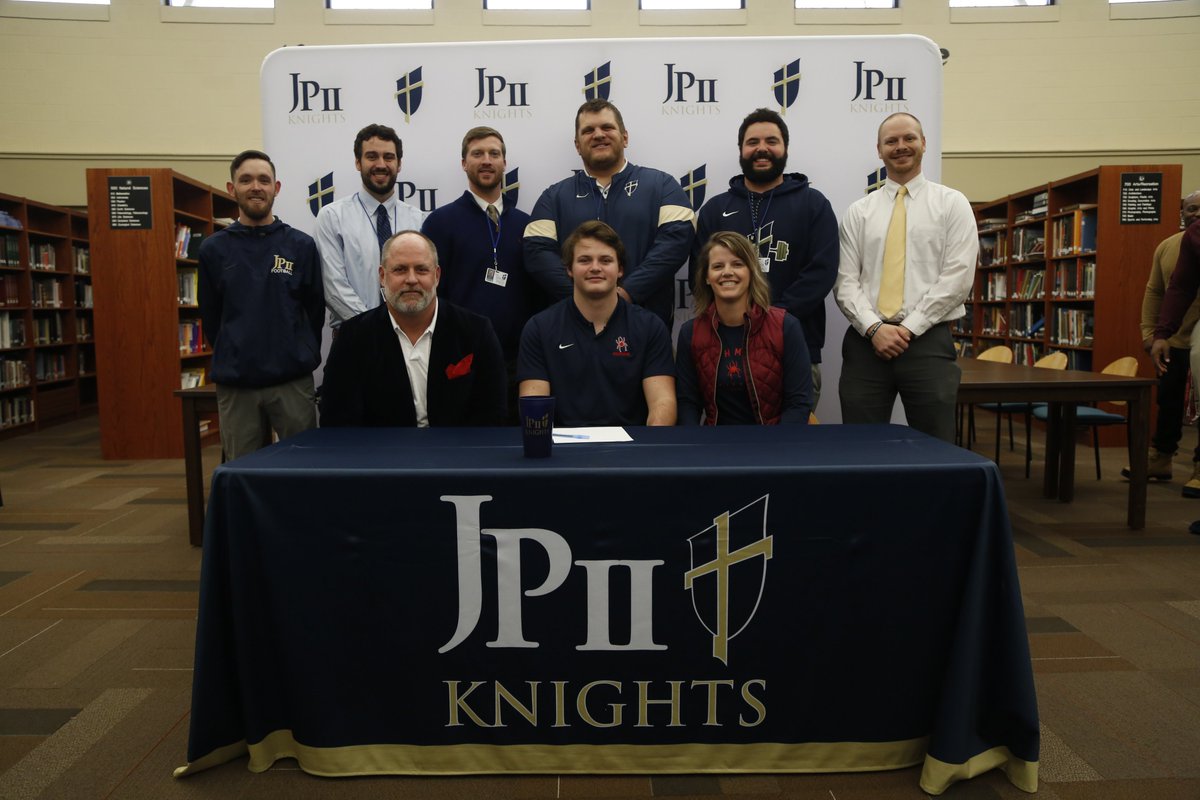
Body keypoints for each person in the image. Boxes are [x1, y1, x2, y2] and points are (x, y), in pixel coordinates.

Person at [834, 112, 978, 443]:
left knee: (935, 446)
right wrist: (874, 329)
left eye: (909, 138)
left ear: (924, 143)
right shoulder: (859, 212)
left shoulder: (951, 205)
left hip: (927, 342)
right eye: (891, 141)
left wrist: (908, 328)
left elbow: (957, 278)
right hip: (866, 345)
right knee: (860, 448)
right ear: (879, 150)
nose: (901, 146)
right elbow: (845, 282)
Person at [693, 108, 838, 405]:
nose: (762, 148)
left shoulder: (814, 204)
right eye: (752, 142)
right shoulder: (713, 209)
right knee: (727, 445)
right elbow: (703, 274)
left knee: (790, 446)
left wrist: (771, 322)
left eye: (771, 141)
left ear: (785, 148)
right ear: (741, 150)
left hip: (795, 347)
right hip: (725, 347)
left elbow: (821, 273)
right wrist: (742, 324)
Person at [197, 149, 324, 460]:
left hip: (291, 382)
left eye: (264, 180)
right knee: (244, 472)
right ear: (232, 188)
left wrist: (301, 353)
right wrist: (235, 350)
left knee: (303, 468)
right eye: (246, 180)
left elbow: (314, 310)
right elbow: (211, 316)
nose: (256, 186)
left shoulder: (300, 245)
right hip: (237, 385)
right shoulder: (214, 249)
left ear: (276, 188)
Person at [523, 99, 694, 328]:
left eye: (607, 127)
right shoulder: (553, 197)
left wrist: (628, 292)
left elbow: (677, 240)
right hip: (574, 331)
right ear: (577, 145)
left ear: (625, 137)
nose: (598, 134)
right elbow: (537, 252)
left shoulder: (662, 186)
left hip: (645, 328)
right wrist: (583, 300)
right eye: (588, 130)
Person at [319, 231, 506, 428]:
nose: (411, 279)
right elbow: (338, 423)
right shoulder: (352, 337)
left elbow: (492, 414)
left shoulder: (476, 332)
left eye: (421, 270)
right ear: (382, 276)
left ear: (437, 275)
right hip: (380, 455)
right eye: (400, 270)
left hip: (458, 454)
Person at [422, 127, 540, 418]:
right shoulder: (439, 223)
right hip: (460, 359)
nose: (486, 160)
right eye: (477, 154)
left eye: (494, 154)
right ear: (464, 163)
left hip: (518, 361)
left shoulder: (529, 225)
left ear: (504, 163)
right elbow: (431, 292)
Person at [519, 220, 676, 427]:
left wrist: (644, 454)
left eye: (605, 260)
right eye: (584, 260)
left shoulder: (650, 327)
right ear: (569, 269)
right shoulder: (539, 328)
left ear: (620, 269)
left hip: (631, 454)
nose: (595, 268)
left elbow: (663, 404)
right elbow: (534, 410)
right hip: (562, 454)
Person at [676, 231, 812, 425]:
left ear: (751, 272)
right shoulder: (691, 333)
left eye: (738, 264)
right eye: (717, 266)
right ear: (707, 277)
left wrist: (778, 448)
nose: (727, 272)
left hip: (775, 445)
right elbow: (687, 402)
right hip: (713, 447)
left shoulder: (785, 326)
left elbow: (799, 403)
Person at [316, 123, 425, 328]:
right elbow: (334, 289)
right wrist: (379, 328)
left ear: (399, 164)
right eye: (372, 156)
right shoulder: (332, 217)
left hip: (409, 341)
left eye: (389, 157)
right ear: (358, 162)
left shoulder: (419, 221)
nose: (381, 164)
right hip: (355, 338)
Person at [1127, 190, 1200, 491]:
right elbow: (1159, 291)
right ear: (1181, 213)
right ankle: (1162, 458)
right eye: (1191, 209)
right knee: (1168, 398)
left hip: (1199, 337)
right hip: (1174, 337)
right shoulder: (1168, 246)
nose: (1196, 214)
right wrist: (1152, 333)